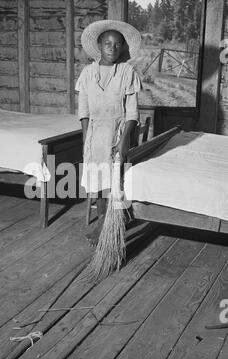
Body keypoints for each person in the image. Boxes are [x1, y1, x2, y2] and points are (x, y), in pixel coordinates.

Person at [76, 20, 143, 246]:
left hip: (117, 133)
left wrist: (124, 142)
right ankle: (104, 223)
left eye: (117, 44)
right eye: (107, 43)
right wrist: (87, 139)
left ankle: (110, 225)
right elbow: (83, 111)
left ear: (122, 47)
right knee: (98, 182)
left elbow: (132, 114)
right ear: (99, 45)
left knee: (114, 184)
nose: (112, 48)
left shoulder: (127, 72)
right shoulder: (87, 73)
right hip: (95, 135)